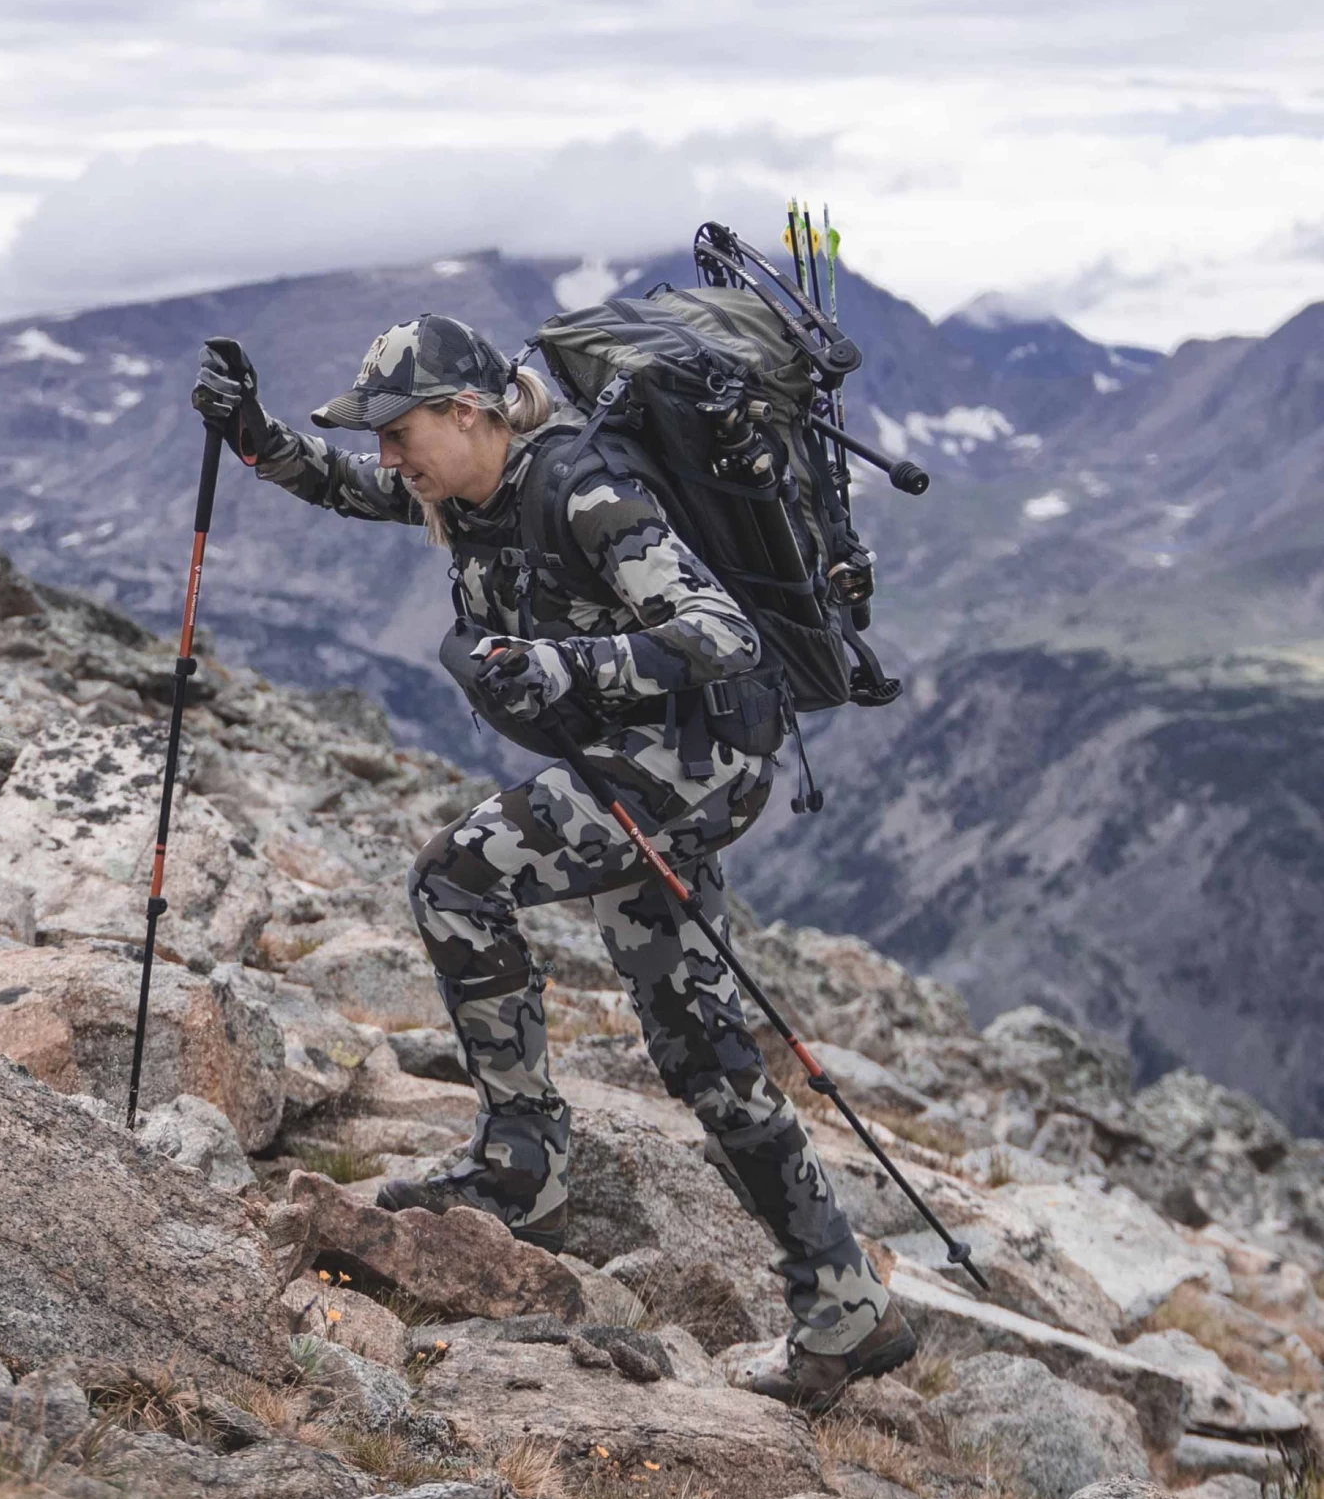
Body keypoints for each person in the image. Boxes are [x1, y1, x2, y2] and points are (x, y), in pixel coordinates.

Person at [191, 314, 916, 1411]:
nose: (389, 455)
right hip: (642, 764)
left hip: (688, 766)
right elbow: (346, 487)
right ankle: (846, 1306)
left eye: (399, 431)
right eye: (381, 436)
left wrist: (568, 665)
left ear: (467, 412)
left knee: (455, 879)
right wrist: (253, 435)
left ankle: (522, 1165)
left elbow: (722, 634)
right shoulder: (463, 492)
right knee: (698, 1044)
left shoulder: (583, 491)